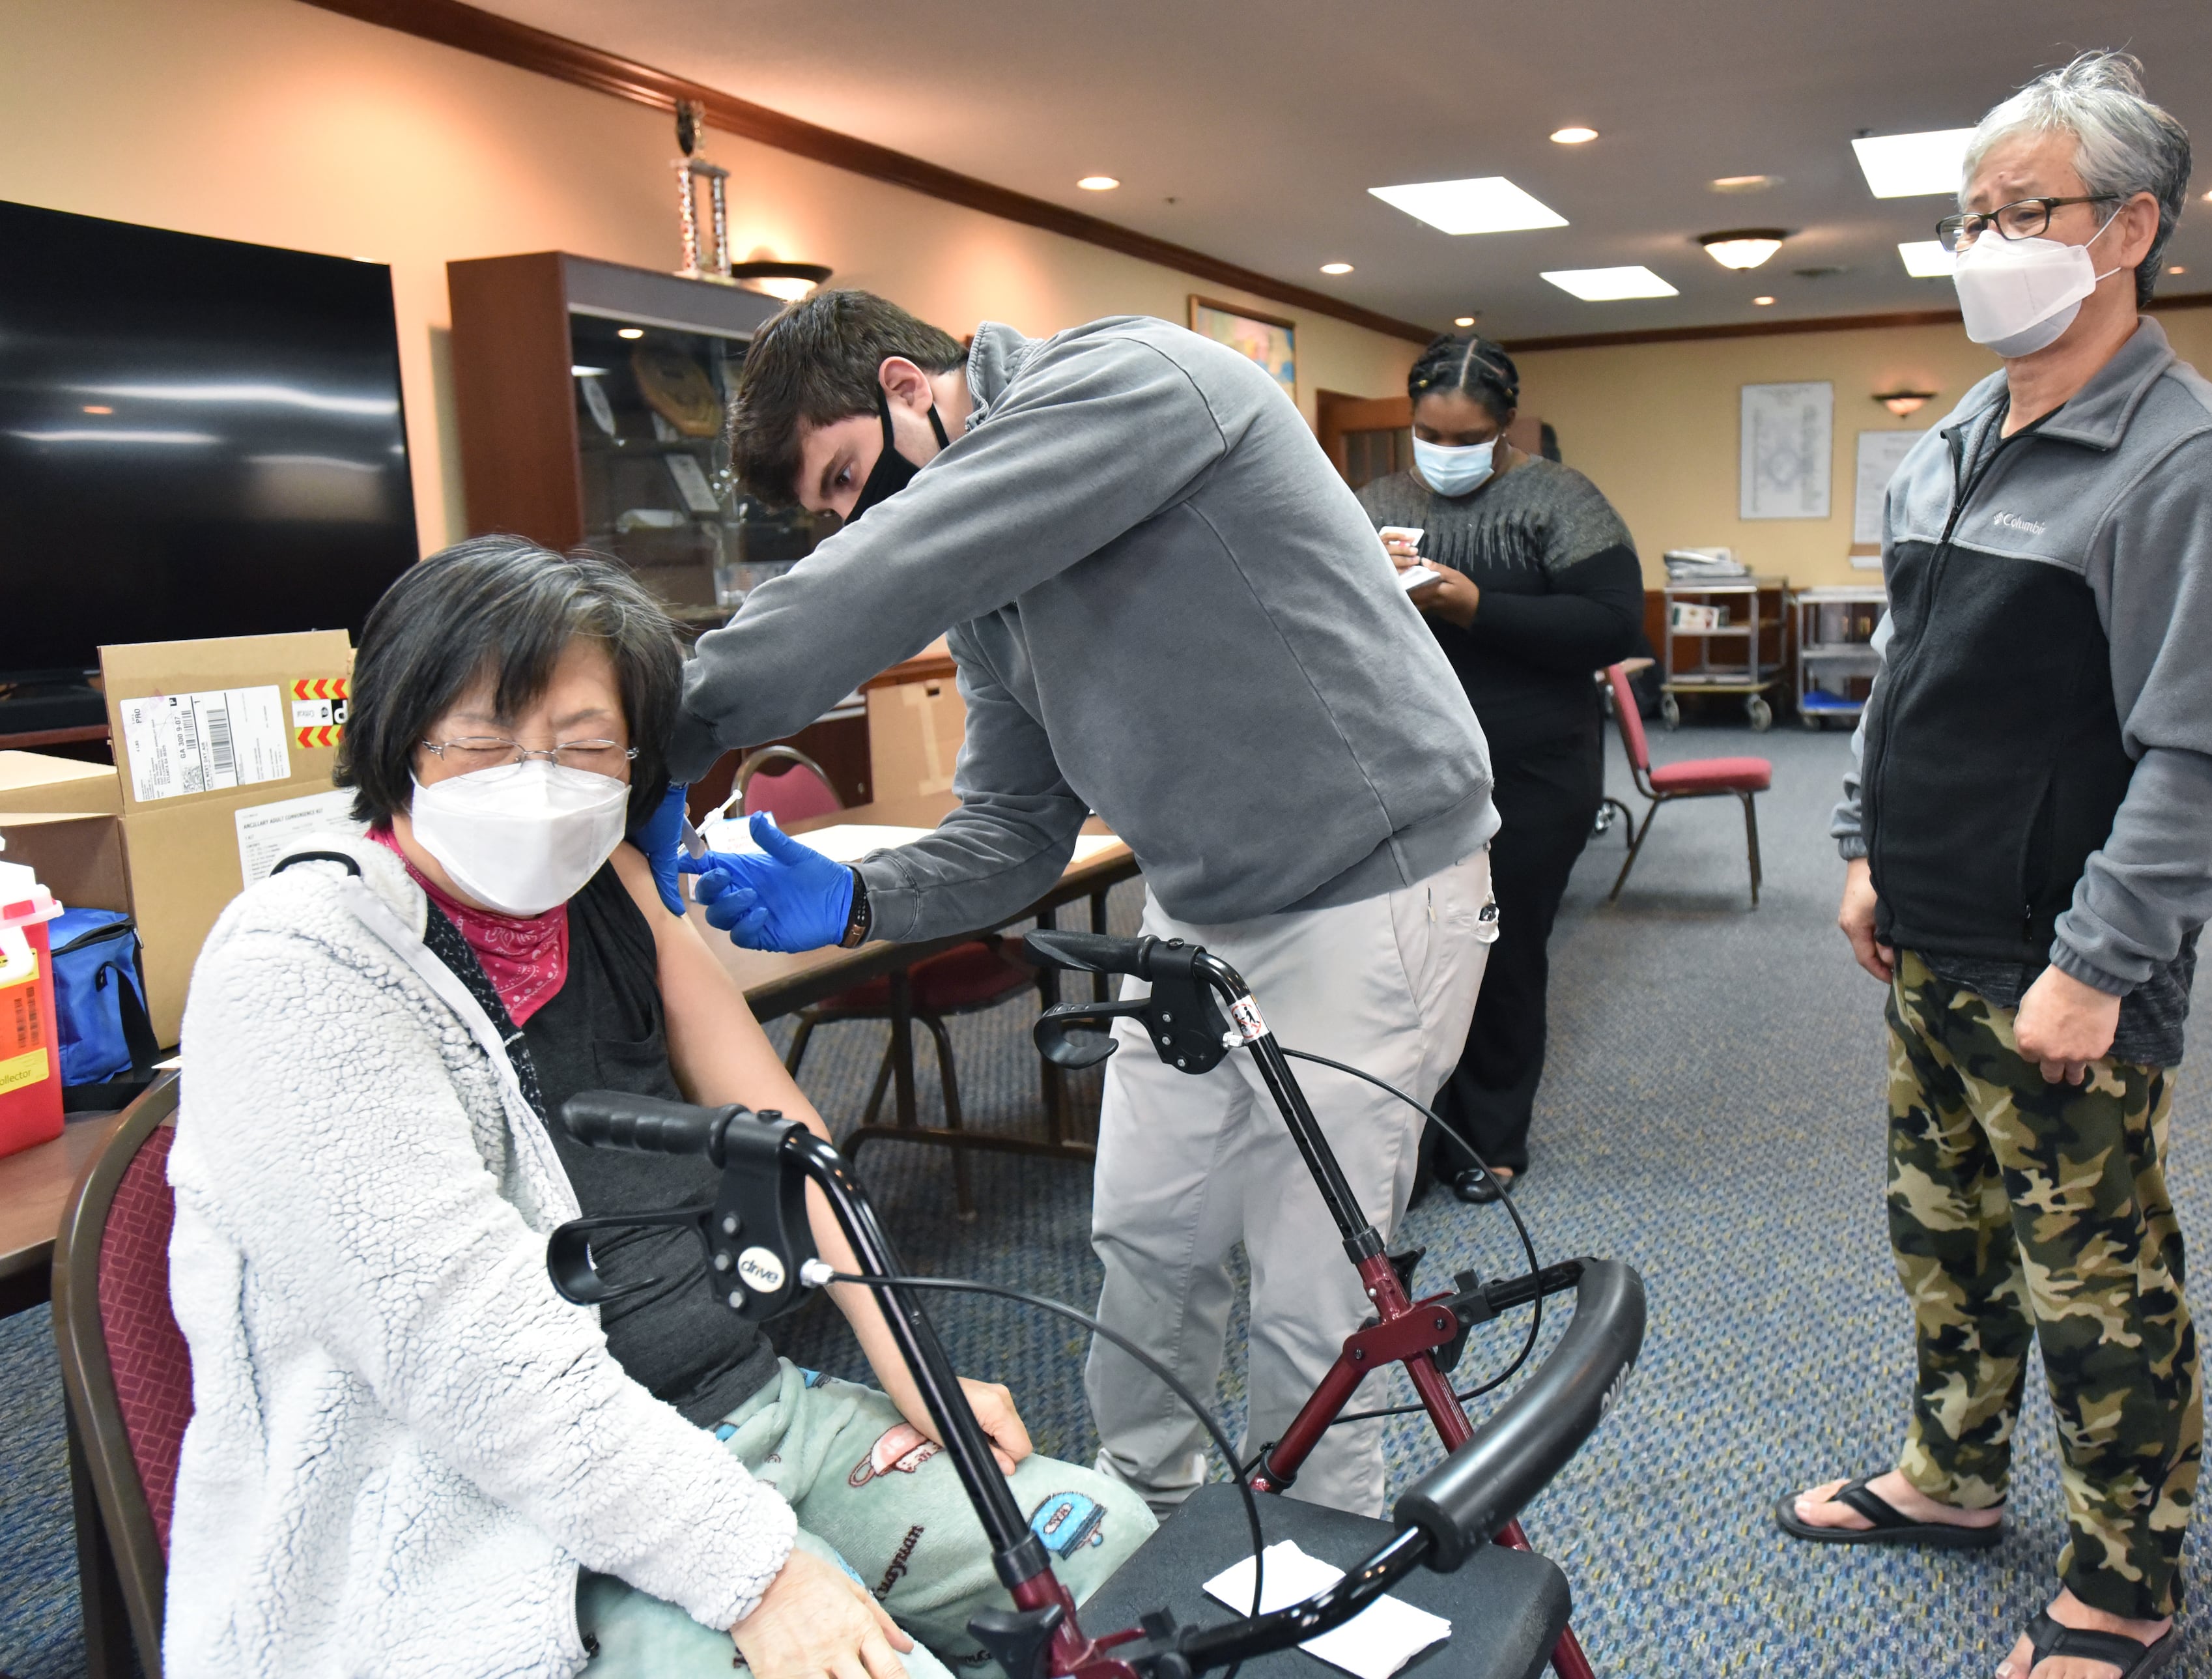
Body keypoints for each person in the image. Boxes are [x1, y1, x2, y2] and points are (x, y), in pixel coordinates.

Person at [165, 539, 1150, 1679]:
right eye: (484, 738)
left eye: (584, 745)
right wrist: (761, 1572)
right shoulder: (304, 963)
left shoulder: (616, 886)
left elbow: (793, 1147)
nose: (537, 778)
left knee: (1110, 1557)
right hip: (499, 1512)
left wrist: (918, 1369)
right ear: (398, 735)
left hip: (743, 1404)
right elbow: (473, 1359)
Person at [644, 292, 1497, 1520]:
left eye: (845, 479)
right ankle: (1147, 1527)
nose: (855, 518)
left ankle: (1320, 1556)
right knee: (1148, 1244)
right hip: (1202, 914)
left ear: (904, 386)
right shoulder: (991, 585)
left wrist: (670, 729)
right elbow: (1015, 831)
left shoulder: (1136, 379)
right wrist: (858, 898)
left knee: (1317, 1295)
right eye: (827, 511)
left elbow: (887, 569)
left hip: (1371, 887)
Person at [1772, 53, 2212, 1679]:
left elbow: (2207, 760)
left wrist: (2096, 964)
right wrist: (1864, 849)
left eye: (2025, 211)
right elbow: (1903, 679)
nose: (1985, 244)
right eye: (1971, 216)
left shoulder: (2195, 462)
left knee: (2096, 1284)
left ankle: (2126, 1583)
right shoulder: (1954, 437)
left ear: (2129, 228)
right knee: (1944, 1238)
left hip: (2066, 966)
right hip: (1927, 932)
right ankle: (1949, 1478)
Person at [1357, 334, 1645, 1203]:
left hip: (1534, 768)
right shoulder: (1375, 503)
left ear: (1506, 424)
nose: (1444, 452)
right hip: (1413, 768)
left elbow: (1611, 626)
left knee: (1501, 950)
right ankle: (1411, 1142)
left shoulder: (1560, 499)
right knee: (1410, 960)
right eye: (1429, 435)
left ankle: (1490, 1139)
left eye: (1466, 437)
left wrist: (1474, 604)